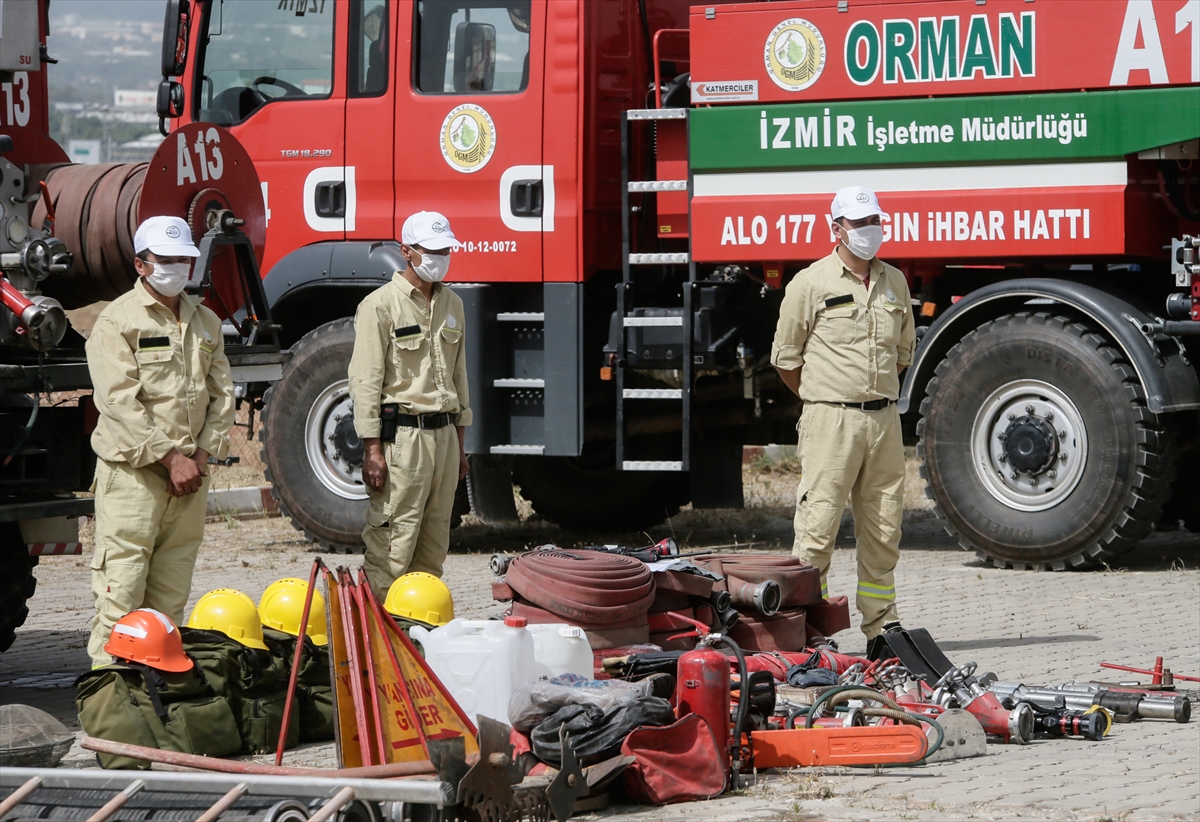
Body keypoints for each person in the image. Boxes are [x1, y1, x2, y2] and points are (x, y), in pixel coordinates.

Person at [770, 186, 916, 657]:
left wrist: (869, 397)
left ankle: (881, 630)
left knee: (883, 528)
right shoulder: (810, 283)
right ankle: (810, 630)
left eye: (874, 220)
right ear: (836, 229)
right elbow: (786, 360)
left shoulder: (895, 282)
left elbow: (902, 353)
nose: (870, 230)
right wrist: (826, 400)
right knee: (817, 528)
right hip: (830, 421)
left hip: (883, 422)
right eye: (859, 223)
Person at [85, 216, 234, 668]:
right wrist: (170, 459)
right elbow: (118, 402)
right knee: (121, 600)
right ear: (141, 264)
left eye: (184, 259)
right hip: (135, 480)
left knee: (168, 605)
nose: (176, 267)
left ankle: (156, 702)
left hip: (189, 479)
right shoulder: (116, 321)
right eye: (165, 260)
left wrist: (200, 457)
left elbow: (222, 392)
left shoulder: (205, 321)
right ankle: (109, 708)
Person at [348, 211, 471, 596]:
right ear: (407, 251)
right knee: (392, 548)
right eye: (432, 250)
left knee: (433, 548)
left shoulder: (453, 304)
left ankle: (417, 636)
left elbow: (459, 379)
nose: (442, 256)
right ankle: (379, 637)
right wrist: (372, 449)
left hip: (445, 440)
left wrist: (461, 447)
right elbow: (365, 382)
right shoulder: (379, 306)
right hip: (403, 441)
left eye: (446, 249)